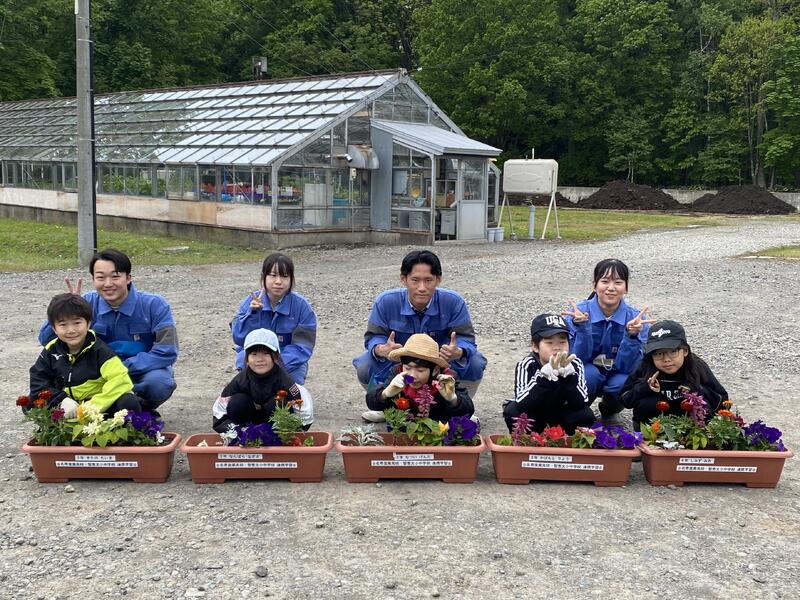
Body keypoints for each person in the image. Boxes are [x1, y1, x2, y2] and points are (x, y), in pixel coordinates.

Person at [353, 249, 486, 421]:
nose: (422, 288)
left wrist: (458, 351)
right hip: (401, 362)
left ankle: (459, 407)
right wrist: (381, 349)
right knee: (365, 363)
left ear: (438, 279)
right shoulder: (385, 302)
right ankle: (387, 407)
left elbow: (466, 339)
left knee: (475, 362)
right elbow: (373, 337)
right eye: (415, 280)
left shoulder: (453, 302)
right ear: (404, 279)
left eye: (428, 280)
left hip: (440, 362)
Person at [38, 248, 178, 411]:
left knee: (159, 383)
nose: (108, 284)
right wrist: (68, 308)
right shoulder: (86, 303)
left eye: (115, 276)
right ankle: (100, 410)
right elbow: (46, 340)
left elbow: (167, 351)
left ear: (128, 278)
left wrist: (121, 368)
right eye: (100, 277)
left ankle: (141, 409)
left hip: (139, 372)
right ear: (93, 279)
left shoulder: (155, 305)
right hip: (96, 375)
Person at [562, 258, 654, 421]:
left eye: (618, 282)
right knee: (587, 374)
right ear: (594, 285)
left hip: (617, 373)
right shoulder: (577, 314)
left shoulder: (636, 319)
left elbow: (629, 367)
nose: (611, 288)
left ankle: (610, 409)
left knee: (624, 382)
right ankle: (580, 410)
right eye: (604, 281)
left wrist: (632, 336)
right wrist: (582, 328)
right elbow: (576, 359)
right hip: (588, 370)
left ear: (626, 287)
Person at [29, 294, 141, 416]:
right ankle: (58, 426)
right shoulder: (51, 350)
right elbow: (37, 380)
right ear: (54, 329)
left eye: (77, 323)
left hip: (98, 409)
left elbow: (121, 381)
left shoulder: (101, 351)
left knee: (128, 401)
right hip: (68, 407)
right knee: (29, 402)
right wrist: (61, 400)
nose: (71, 330)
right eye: (63, 325)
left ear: (88, 324)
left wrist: (90, 408)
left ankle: (126, 426)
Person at [620, 320, 727, 430]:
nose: (666, 359)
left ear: (685, 351)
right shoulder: (646, 366)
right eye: (658, 354)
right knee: (647, 403)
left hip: (692, 429)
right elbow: (625, 400)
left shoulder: (697, 366)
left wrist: (695, 391)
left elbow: (722, 401)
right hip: (653, 428)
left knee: (697, 403)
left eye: (673, 352)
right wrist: (645, 387)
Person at [231, 253, 316, 385]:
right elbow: (239, 339)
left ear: (291, 279)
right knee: (246, 391)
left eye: (284, 276)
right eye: (273, 275)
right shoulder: (250, 302)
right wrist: (253, 314)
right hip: (255, 359)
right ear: (263, 277)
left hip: (288, 363)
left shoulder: (302, 307)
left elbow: (302, 347)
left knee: (290, 391)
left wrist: (275, 365)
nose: (278, 281)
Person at [503, 313, 594, 433]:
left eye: (562, 342)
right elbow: (521, 403)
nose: (557, 347)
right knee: (512, 411)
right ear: (535, 346)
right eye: (549, 342)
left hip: (562, 414)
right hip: (536, 413)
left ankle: (570, 441)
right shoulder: (527, 364)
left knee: (586, 414)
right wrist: (542, 379)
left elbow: (581, 402)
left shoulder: (575, 364)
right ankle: (525, 441)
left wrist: (570, 378)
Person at [212, 328, 312, 433]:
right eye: (254, 354)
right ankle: (245, 437)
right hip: (245, 430)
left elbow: (304, 415)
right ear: (246, 358)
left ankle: (273, 437)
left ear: (276, 356)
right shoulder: (239, 381)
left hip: (278, 431)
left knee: (278, 403)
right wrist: (238, 432)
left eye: (266, 353)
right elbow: (219, 415)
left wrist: (288, 433)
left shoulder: (286, 382)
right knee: (238, 402)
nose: (260, 359)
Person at [365, 333, 474, 422]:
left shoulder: (446, 379)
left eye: (420, 370)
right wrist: (385, 394)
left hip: (438, 428)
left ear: (435, 370)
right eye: (407, 368)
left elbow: (468, 410)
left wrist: (453, 399)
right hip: (405, 427)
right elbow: (371, 403)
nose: (412, 375)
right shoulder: (398, 373)